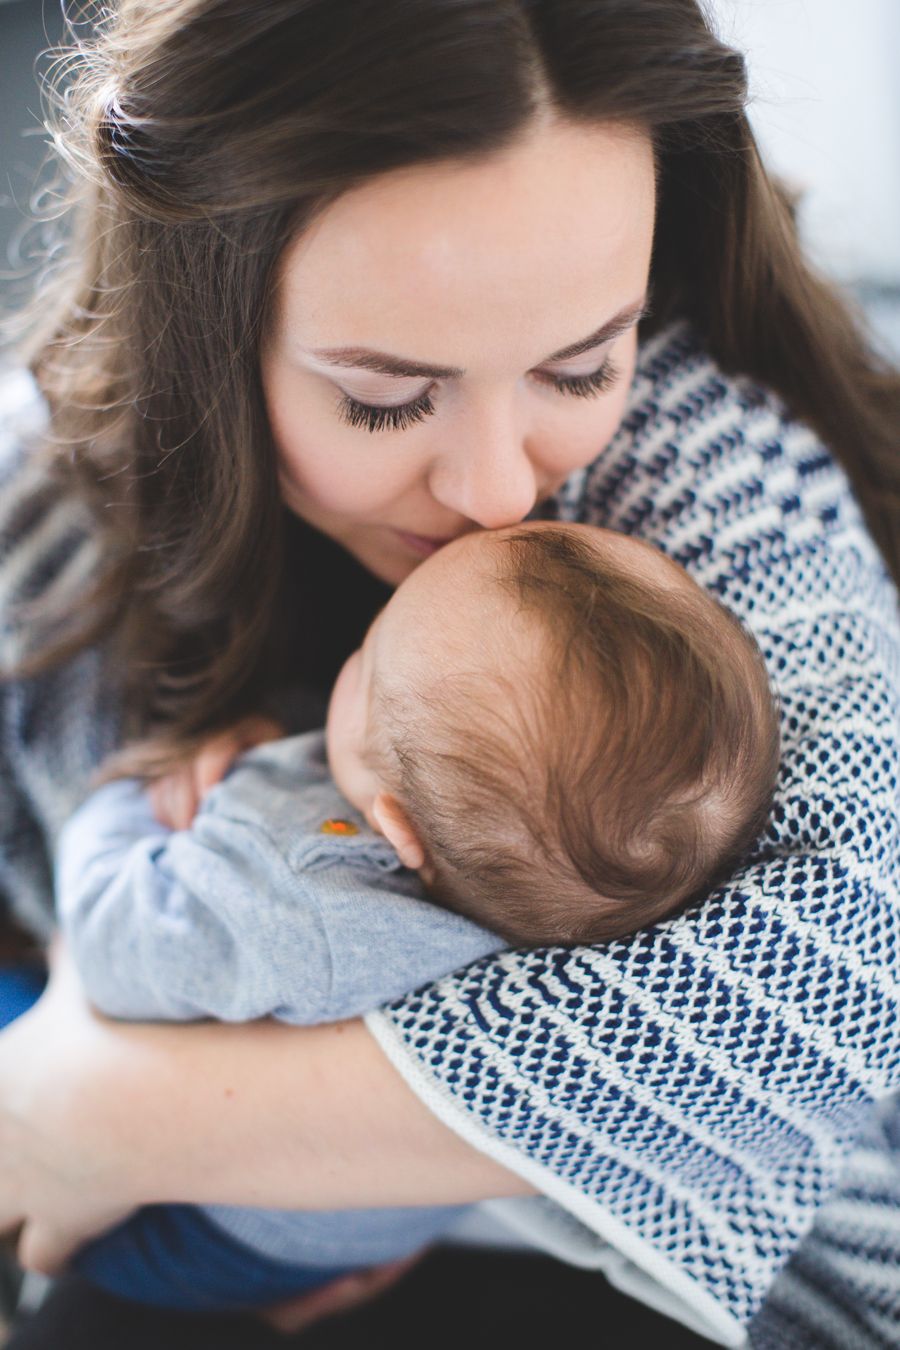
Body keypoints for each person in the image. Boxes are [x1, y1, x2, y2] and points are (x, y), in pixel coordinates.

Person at [0, 2, 898, 1347]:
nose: (497, 491)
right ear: (204, 329)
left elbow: (843, 973)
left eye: (582, 364)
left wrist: (99, 1114)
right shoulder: (59, 496)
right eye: (386, 397)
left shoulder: (715, 460)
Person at [39, 519, 779, 1313]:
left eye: (372, 650)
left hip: (201, 1234)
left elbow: (114, 941)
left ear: (392, 832)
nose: (353, 650)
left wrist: (118, 803)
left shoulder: (300, 891)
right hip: (380, 1218)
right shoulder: (549, 904)